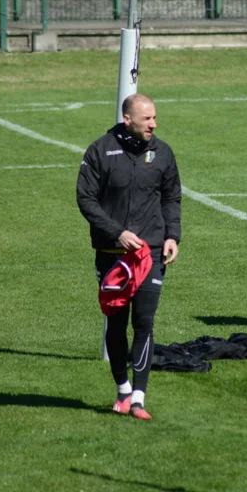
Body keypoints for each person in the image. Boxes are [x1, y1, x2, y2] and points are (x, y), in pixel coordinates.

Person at [76, 93, 181, 420]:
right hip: (112, 253)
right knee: (117, 324)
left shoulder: (162, 152)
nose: (154, 123)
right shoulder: (99, 151)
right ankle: (122, 389)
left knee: (144, 323)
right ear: (128, 119)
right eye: (147, 118)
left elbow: (171, 197)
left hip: (149, 251)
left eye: (154, 117)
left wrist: (172, 236)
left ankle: (138, 398)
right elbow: (86, 199)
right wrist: (116, 231)